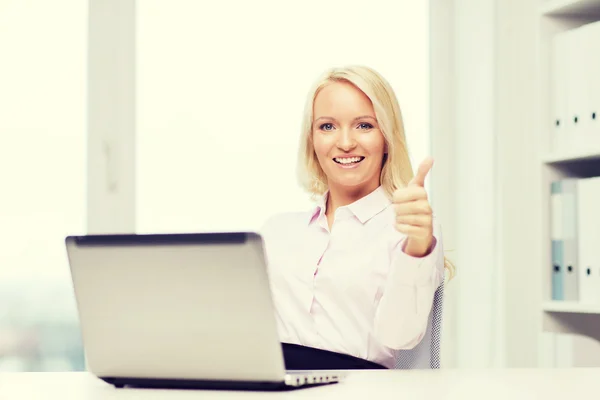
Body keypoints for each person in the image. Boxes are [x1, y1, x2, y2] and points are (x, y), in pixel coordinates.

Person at [260, 65, 455, 370]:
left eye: (364, 125)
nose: (346, 142)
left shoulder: (409, 230)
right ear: (311, 139)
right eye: (327, 126)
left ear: (387, 137)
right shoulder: (277, 232)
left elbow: (399, 335)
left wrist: (417, 249)